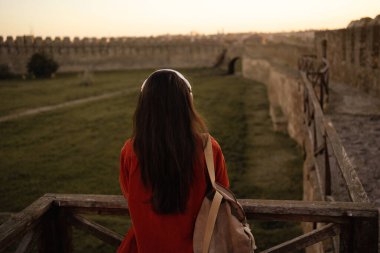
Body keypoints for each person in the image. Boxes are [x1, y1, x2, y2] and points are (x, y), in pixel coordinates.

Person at [118, 69, 230, 253]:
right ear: (187, 104)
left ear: (145, 107)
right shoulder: (208, 149)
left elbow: (128, 192)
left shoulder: (130, 150)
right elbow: (223, 194)